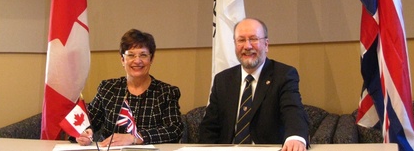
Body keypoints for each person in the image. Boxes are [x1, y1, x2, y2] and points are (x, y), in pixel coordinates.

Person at [199, 18, 309, 151]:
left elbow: (293, 111)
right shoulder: (222, 80)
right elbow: (209, 127)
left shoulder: (283, 75)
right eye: (241, 40)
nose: (247, 46)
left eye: (254, 39)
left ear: (266, 45)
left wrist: (295, 138)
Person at [76, 29, 183, 147]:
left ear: (151, 59)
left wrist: (135, 138)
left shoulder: (166, 92)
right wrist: (86, 133)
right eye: (131, 55)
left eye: (143, 55)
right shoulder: (108, 88)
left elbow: (174, 130)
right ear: (122, 59)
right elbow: (87, 122)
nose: (137, 61)